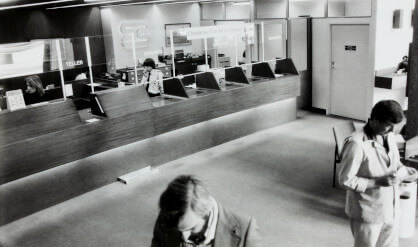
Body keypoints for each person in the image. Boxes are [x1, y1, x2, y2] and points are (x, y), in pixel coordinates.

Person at [338, 100, 417, 247]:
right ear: (374, 119)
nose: (392, 130)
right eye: (388, 125)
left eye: (395, 126)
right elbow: (344, 180)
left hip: (391, 208)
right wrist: (378, 182)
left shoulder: (390, 135)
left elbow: (393, 163)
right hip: (368, 212)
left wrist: (404, 170)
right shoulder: (356, 144)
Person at [151, 175, 260, 247]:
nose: (185, 235)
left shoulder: (245, 229)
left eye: (192, 228)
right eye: (180, 230)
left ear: (205, 211)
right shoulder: (167, 217)